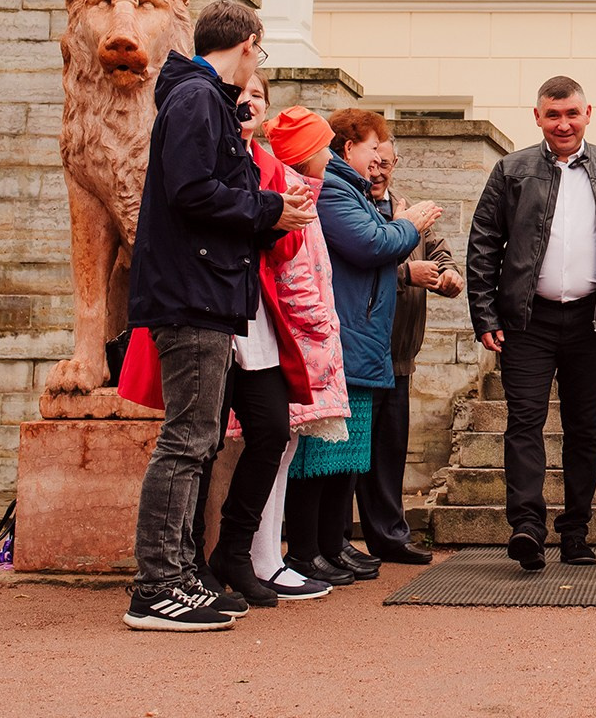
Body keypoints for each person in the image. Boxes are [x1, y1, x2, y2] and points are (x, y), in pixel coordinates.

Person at [123, 0, 315, 632]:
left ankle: (177, 576)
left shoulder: (199, 98)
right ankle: (158, 584)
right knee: (186, 441)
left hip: (198, 289)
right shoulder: (198, 98)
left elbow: (199, 188)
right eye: (260, 51)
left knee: (195, 439)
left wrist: (263, 210)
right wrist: (268, 210)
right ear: (249, 43)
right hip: (193, 293)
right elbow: (192, 192)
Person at [467, 75, 596, 571]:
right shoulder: (511, 170)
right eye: (553, 115)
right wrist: (485, 314)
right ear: (538, 117)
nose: (564, 124)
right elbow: (483, 245)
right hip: (527, 321)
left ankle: (576, 531)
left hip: (591, 321)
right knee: (524, 423)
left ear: (588, 114)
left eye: (572, 114)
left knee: (584, 429)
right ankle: (527, 527)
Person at [281, 110, 441, 586]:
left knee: (346, 456)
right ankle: (307, 552)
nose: (380, 159)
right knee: (320, 455)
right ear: (347, 149)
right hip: (346, 334)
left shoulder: (347, 189)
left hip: (362, 336)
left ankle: (332, 544)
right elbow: (370, 244)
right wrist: (408, 224)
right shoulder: (332, 188)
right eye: (374, 147)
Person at [184, 74, 324, 609]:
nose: (249, 103)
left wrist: (282, 215)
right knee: (202, 439)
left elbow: (286, 248)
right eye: (241, 94)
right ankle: (193, 558)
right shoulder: (212, 145)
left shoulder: (270, 164)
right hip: (209, 304)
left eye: (259, 96)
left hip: (257, 310)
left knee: (270, 431)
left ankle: (234, 552)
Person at [247, 105, 354, 601]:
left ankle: (266, 556)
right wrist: (319, 326)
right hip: (294, 341)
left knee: (283, 451)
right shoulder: (290, 195)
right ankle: (261, 558)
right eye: (324, 147)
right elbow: (294, 276)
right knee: (274, 450)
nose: (330, 156)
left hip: (300, 339)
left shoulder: (301, 195)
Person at [356, 137, 463, 564]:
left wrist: (450, 275)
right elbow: (357, 260)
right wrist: (405, 273)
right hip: (362, 356)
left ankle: (389, 537)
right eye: (373, 161)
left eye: (387, 162)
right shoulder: (352, 206)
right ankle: (338, 541)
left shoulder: (411, 210)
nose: (379, 170)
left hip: (399, 357)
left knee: (388, 453)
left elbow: (440, 253)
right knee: (350, 454)